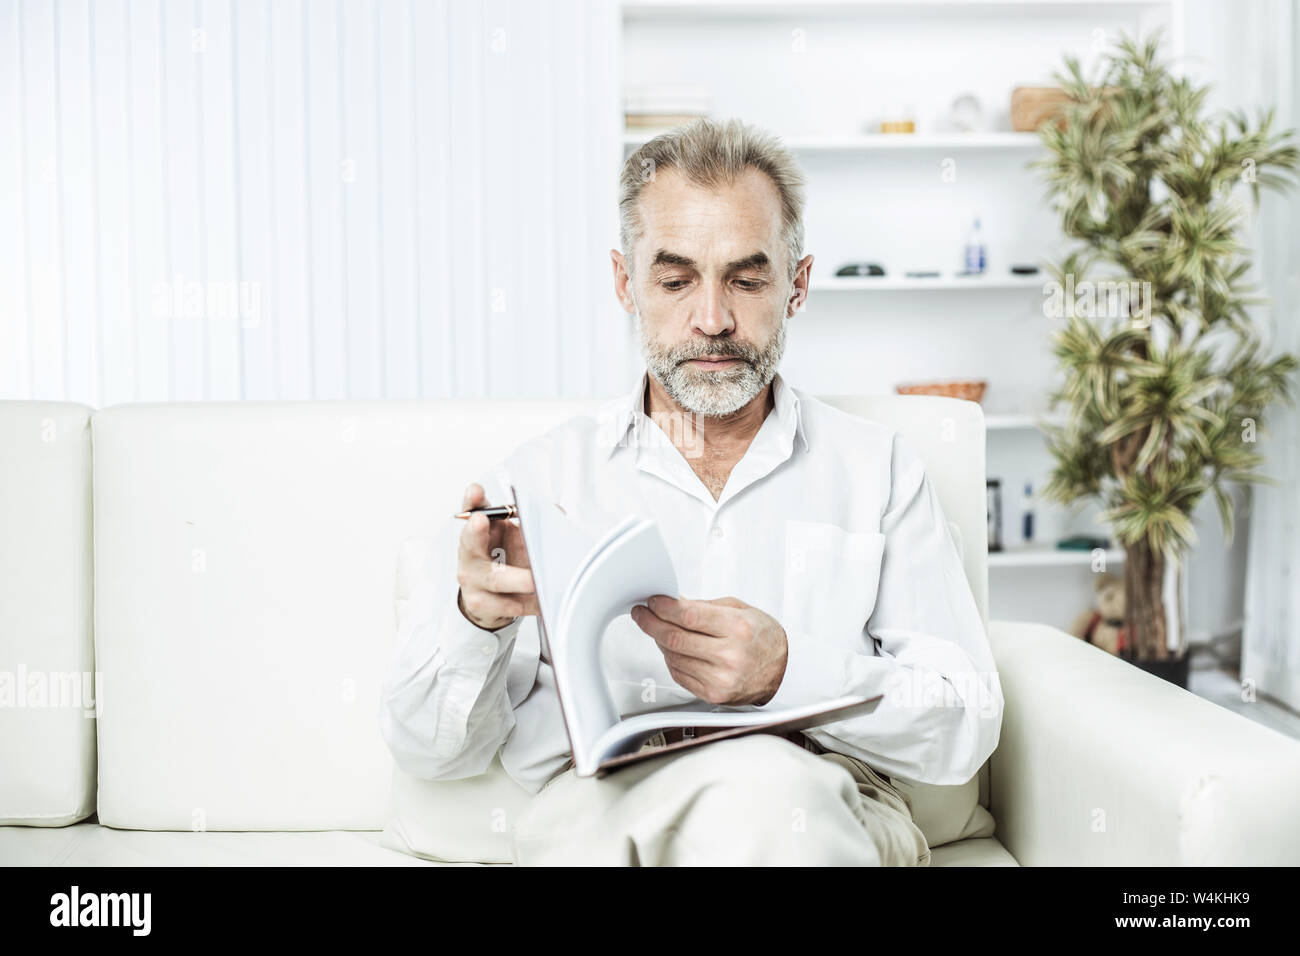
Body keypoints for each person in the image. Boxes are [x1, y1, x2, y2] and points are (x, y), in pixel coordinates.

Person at [380, 117, 1003, 866]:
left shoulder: (879, 473)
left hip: (820, 805)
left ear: (796, 285)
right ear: (626, 284)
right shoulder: (542, 479)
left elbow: (965, 725)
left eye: (746, 279)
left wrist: (788, 674)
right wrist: (475, 623)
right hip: (606, 813)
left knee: (771, 796)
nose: (712, 319)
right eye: (675, 281)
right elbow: (430, 753)